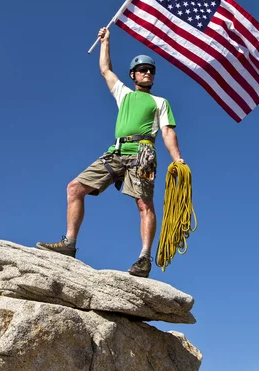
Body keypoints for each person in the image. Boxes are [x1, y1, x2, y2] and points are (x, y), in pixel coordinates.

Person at [36, 27, 184, 278]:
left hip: (143, 152)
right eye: (143, 70)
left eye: (151, 71)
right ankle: (69, 244)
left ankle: (144, 258)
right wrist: (105, 41)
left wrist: (177, 158)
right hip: (116, 150)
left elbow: (168, 131)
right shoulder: (124, 94)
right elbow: (105, 70)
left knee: (144, 203)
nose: (148, 73)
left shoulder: (160, 102)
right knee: (75, 187)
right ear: (133, 75)